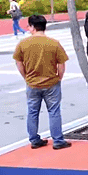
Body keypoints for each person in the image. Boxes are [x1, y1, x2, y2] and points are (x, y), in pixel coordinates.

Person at [12, 14, 70, 150]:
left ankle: (34, 139)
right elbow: (61, 64)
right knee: (54, 111)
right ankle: (58, 140)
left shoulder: (23, 44)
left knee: (32, 112)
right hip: (51, 82)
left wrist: (26, 77)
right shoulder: (54, 43)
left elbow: (18, 62)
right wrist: (58, 77)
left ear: (32, 27)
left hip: (32, 83)